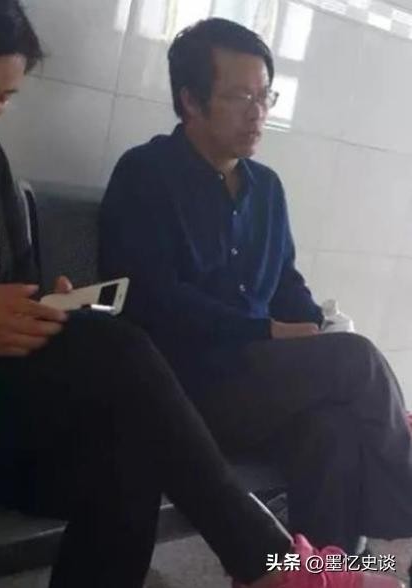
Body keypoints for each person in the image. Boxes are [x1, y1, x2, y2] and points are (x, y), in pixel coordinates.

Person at [0, 2, 399, 586]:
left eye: (3, 97)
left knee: (129, 446)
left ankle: (302, 566)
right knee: (121, 351)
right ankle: (262, 559)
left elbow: (4, 287)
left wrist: (38, 305)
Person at [99, 15, 412, 575]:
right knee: (356, 361)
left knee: (333, 431)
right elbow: (151, 298)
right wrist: (265, 331)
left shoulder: (265, 187)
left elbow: (284, 282)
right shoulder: (145, 174)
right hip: (181, 388)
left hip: (259, 385)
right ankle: (404, 513)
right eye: (240, 96)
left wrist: (314, 326)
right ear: (190, 100)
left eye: (265, 95)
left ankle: (314, 576)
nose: (258, 112)